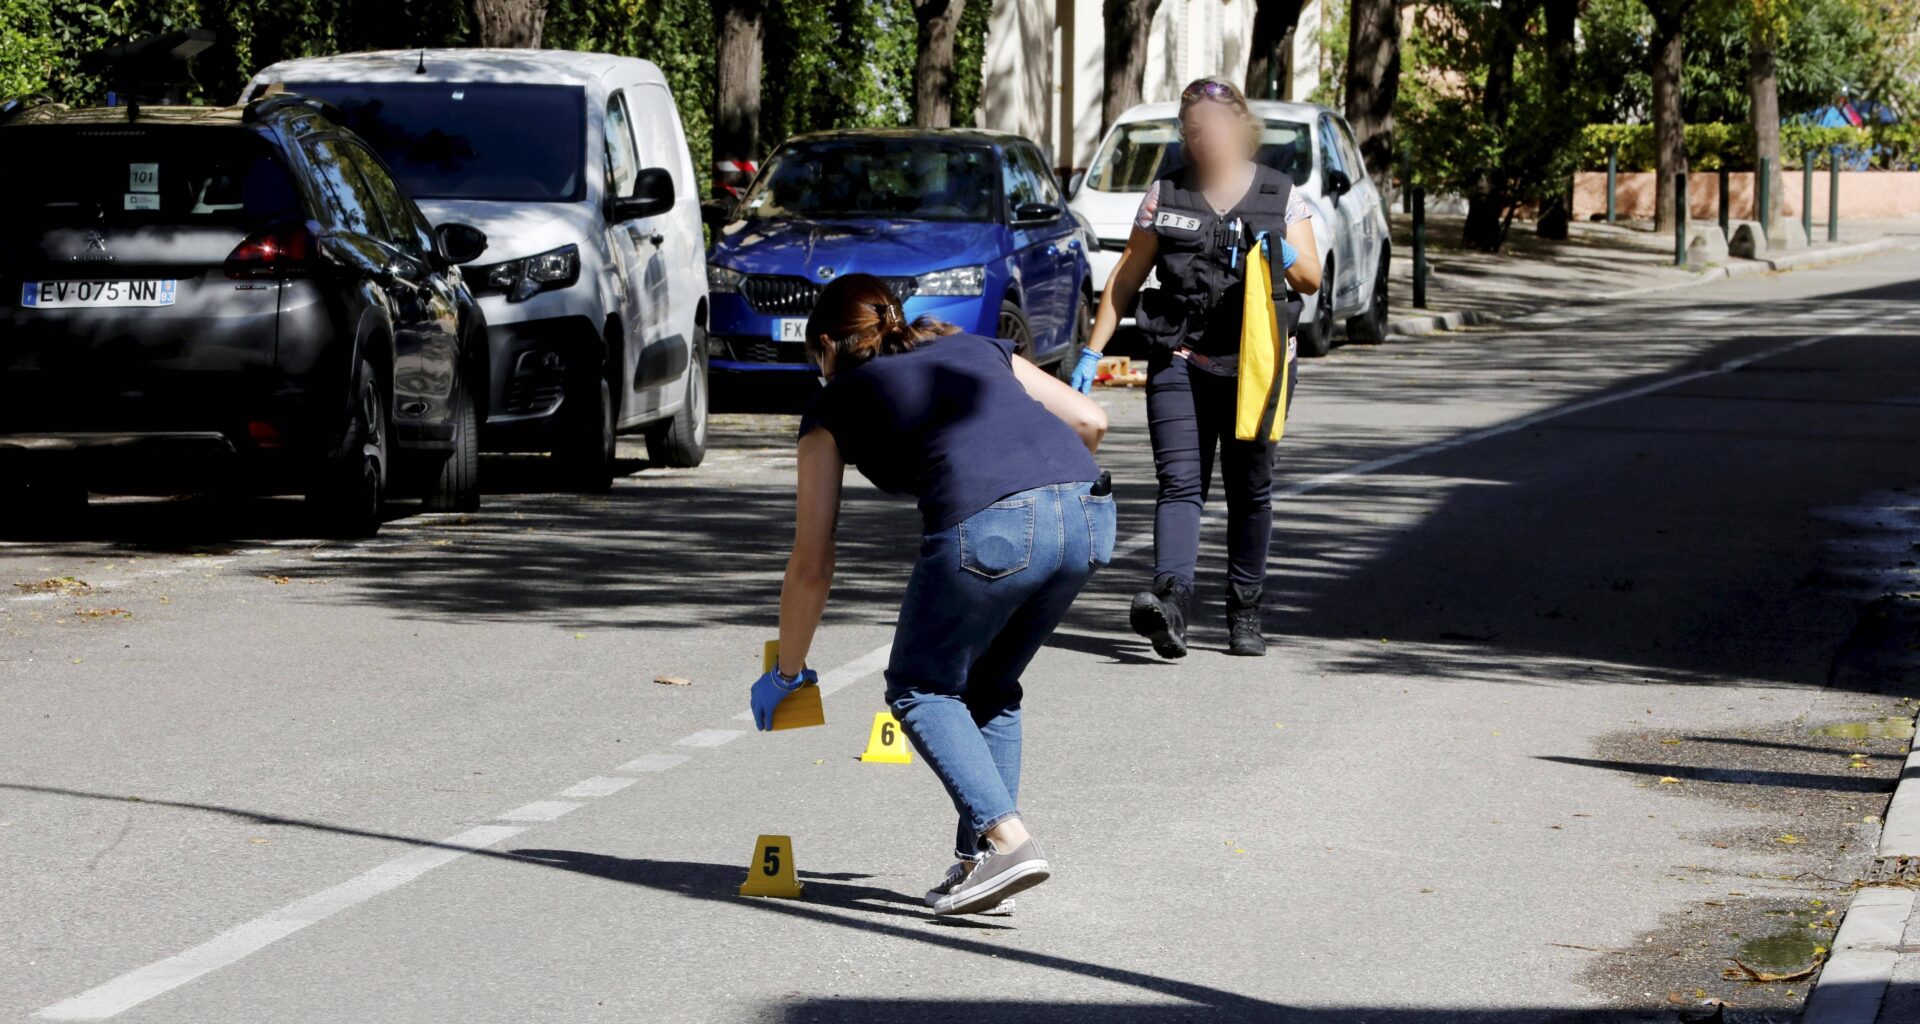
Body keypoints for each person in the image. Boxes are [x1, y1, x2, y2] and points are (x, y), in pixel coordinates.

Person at [749, 273, 1114, 916]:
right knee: (990, 689)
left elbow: (812, 559)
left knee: (919, 687)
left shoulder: (834, 403)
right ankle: (983, 861)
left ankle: (1009, 843)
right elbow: (1090, 419)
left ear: (829, 348)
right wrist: (1045, 489)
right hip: (1090, 512)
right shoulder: (977, 348)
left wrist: (788, 672)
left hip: (994, 526)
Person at [1066, 76, 1321, 660]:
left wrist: (1282, 254)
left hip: (1257, 366)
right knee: (1180, 483)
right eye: (1193, 132)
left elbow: (1311, 276)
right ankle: (1172, 603)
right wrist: (1092, 350)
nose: (1203, 140)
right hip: (1179, 355)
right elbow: (1128, 274)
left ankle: (1245, 609)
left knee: (1250, 490)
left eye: (1214, 129)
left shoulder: (1282, 194)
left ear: (1241, 129)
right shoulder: (1164, 195)